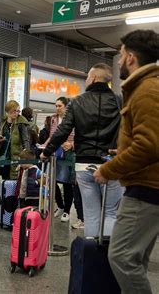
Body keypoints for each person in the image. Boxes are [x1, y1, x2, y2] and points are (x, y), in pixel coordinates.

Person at [93, 29, 159, 294]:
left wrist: (109, 169)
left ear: (131, 58)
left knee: (121, 257)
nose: (118, 62)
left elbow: (150, 144)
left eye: (120, 56)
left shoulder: (146, 90)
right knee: (135, 259)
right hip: (149, 186)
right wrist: (122, 151)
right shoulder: (147, 87)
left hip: (146, 189)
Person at [40, 63, 123, 237]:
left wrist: (47, 152)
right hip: (112, 163)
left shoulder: (77, 102)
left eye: (87, 77)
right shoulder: (119, 101)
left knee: (91, 214)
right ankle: (106, 257)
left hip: (84, 165)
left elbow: (63, 131)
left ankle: (93, 255)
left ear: (93, 78)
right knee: (110, 213)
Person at [46, 97, 75, 223]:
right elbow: (52, 136)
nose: (57, 108)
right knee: (52, 181)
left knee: (67, 182)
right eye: (56, 106)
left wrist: (72, 144)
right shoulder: (53, 119)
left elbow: (80, 136)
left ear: (66, 106)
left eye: (60, 106)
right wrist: (44, 146)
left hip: (68, 154)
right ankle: (61, 206)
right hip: (55, 153)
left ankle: (67, 210)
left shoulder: (74, 119)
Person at [0, 100, 30, 180]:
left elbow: (26, 140)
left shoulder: (21, 123)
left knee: (13, 182)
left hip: (15, 158)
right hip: (2, 156)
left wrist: (26, 157)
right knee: (2, 182)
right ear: (8, 111)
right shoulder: (2, 123)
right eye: (14, 111)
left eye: (18, 111)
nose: (16, 113)